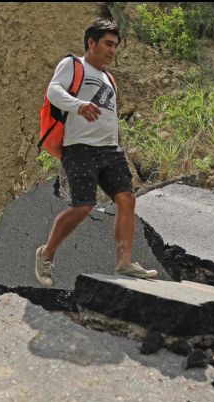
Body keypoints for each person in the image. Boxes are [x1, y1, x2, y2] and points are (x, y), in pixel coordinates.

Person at [35, 18, 158, 288]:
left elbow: (110, 116)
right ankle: (47, 253)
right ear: (91, 42)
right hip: (79, 149)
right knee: (83, 206)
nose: (112, 50)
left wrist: (119, 145)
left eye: (115, 45)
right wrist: (78, 105)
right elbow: (53, 91)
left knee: (126, 199)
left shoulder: (109, 77)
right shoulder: (73, 65)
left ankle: (124, 263)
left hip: (110, 151)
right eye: (108, 43)